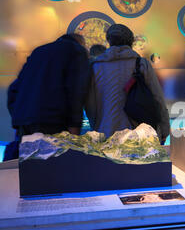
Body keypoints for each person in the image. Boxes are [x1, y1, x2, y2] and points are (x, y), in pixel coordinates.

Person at [4, 33, 90, 161]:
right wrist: (74, 127)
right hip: (54, 122)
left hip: (26, 122)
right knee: (53, 170)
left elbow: (14, 89)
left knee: (30, 169)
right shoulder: (77, 51)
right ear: (81, 44)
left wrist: (19, 118)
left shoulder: (38, 52)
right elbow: (76, 90)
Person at [85, 24, 170, 143]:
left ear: (109, 40)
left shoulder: (96, 66)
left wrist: (97, 127)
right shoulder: (140, 64)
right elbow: (157, 98)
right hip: (138, 133)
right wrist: (164, 129)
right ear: (131, 41)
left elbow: (90, 105)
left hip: (106, 132)